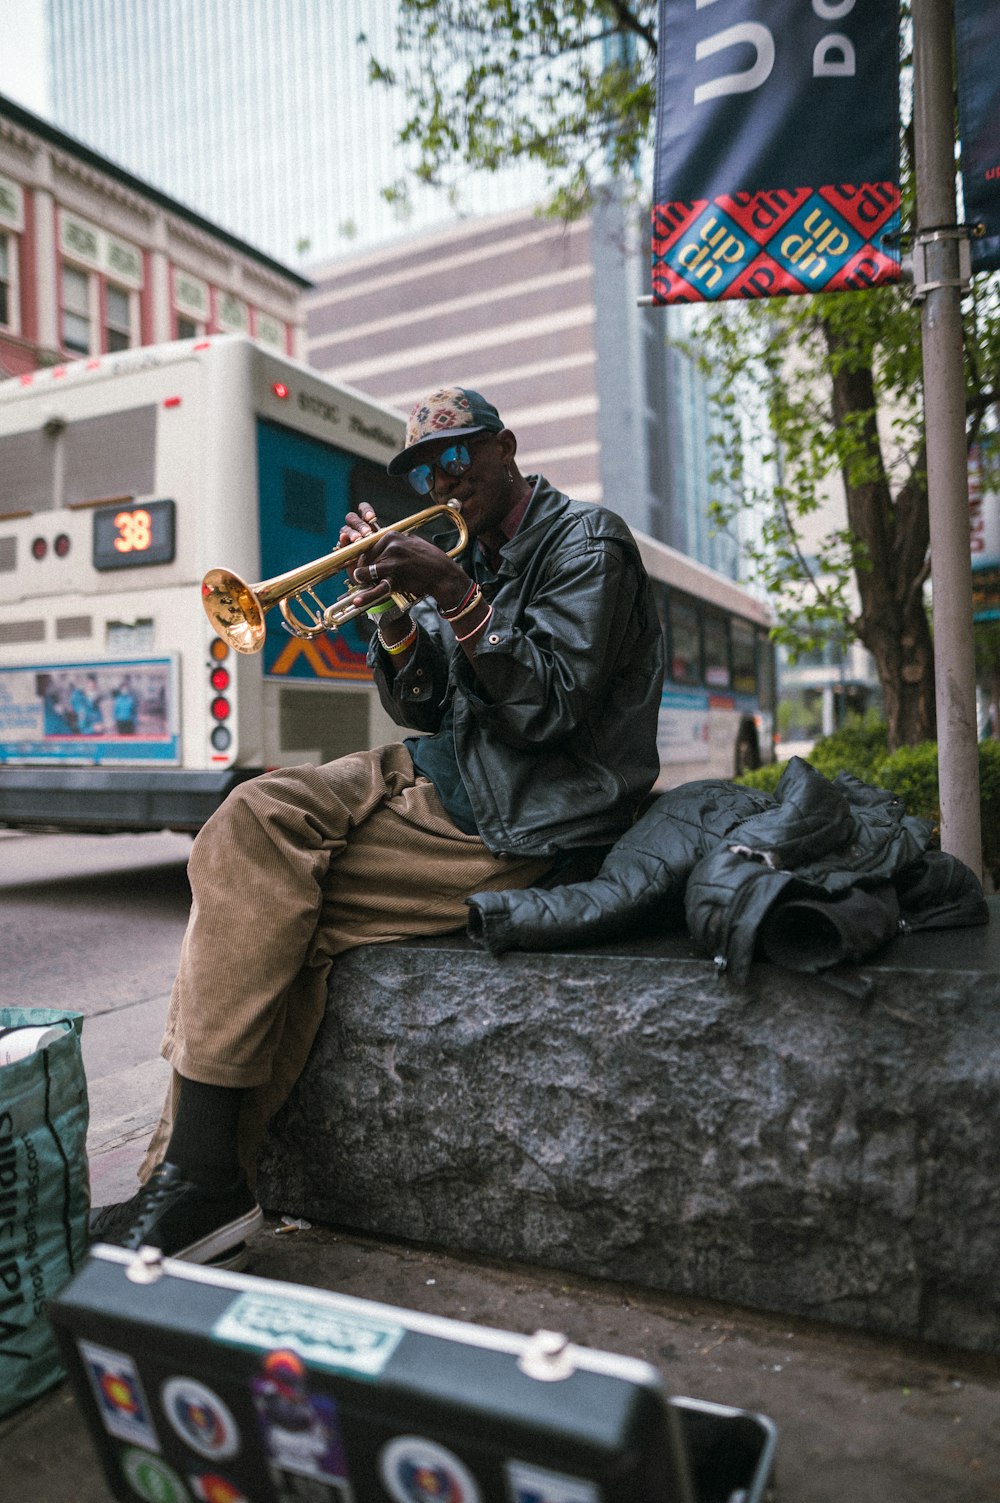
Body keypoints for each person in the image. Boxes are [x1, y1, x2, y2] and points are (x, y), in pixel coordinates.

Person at [89, 386, 665, 1268]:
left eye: (457, 457)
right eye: (423, 470)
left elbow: (548, 710)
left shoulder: (587, 541)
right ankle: (195, 1182)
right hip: (444, 775)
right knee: (249, 820)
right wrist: (397, 616)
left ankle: (196, 1180)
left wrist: (459, 596)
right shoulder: (465, 551)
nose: (442, 479)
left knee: (268, 889)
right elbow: (424, 703)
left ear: (505, 447)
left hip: (530, 820)